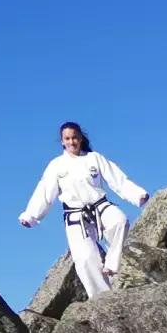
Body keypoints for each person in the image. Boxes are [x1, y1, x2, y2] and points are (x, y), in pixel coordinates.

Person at [19, 121, 149, 296]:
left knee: (119, 221)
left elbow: (117, 179)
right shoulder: (56, 165)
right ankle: (101, 298)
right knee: (86, 259)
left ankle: (111, 264)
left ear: (80, 138)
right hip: (75, 216)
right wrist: (30, 216)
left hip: (100, 205)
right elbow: (44, 193)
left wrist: (137, 194)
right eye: (67, 139)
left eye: (74, 138)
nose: (72, 142)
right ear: (62, 142)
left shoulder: (94, 158)